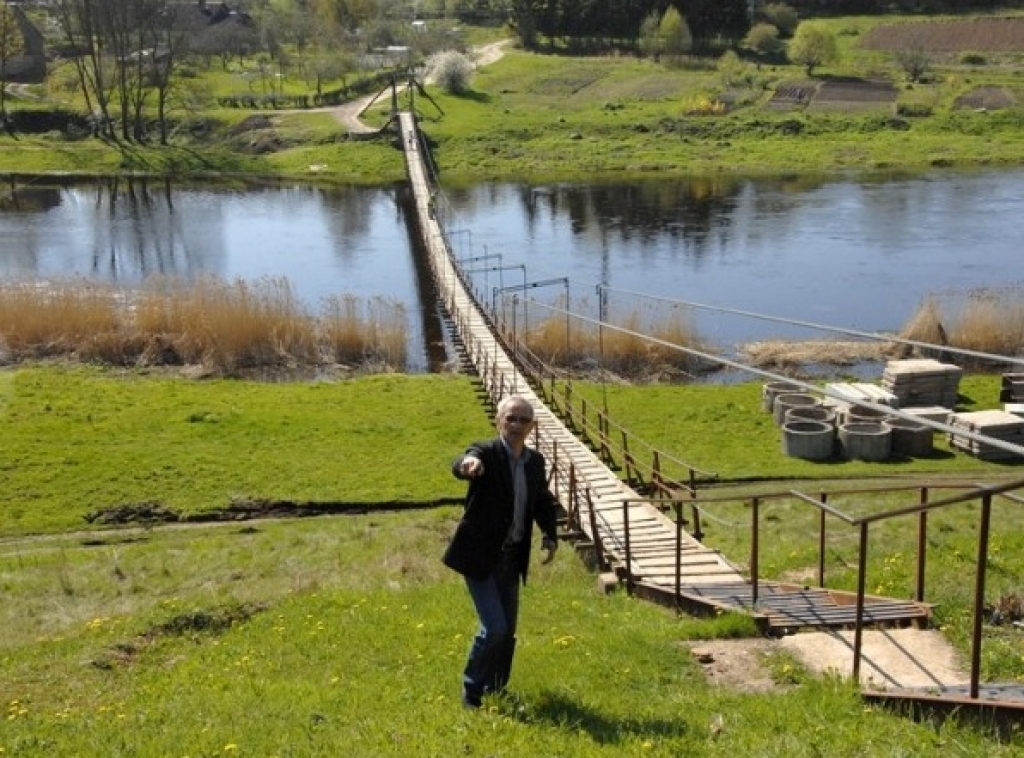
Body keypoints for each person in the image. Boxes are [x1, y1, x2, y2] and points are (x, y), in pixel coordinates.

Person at [443, 394, 560, 709]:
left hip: (512, 559)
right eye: (511, 418)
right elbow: (465, 460)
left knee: (507, 634)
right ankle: (472, 691)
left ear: (532, 427)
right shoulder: (487, 454)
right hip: (480, 557)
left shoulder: (535, 462)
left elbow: (541, 500)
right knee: (494, 627)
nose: (517, 425)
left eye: (524, 420)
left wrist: (550, 535)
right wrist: (468, 465)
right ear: (499, 421)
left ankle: (497, 687)